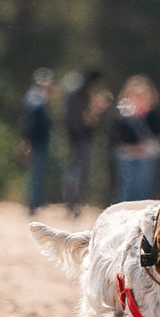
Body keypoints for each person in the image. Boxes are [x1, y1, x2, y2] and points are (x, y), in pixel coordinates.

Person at [61, 68, 111, 215]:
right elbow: (83, 120)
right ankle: (72, 203)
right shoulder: (80, 96)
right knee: (76, 173)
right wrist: (95, 110)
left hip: (76, 139)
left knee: (76, 173)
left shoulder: (76, 95)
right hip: (79, 139)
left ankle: (73, 203)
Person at [110, 75, 160, 203]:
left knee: (145, 189)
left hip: (147, 157)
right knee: (127, 188)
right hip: (127, 157)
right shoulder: (123, 117)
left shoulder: (154, 116)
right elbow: (116, 139)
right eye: (137, 97)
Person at [19, 69, 56, 213]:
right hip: (36, 142)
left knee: (36, 174)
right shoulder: (36, 98)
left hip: (38, 142)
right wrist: (27, 141)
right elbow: (30, 122)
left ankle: (35, 203)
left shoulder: (35, 97)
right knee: (35, 174)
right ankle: (32, 205)